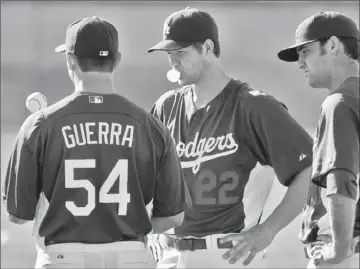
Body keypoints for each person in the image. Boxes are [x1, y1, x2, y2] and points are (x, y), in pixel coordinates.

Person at [2, 16, 190, 269]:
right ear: (117, 60)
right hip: (131, 257)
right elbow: (174, 216)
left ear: (70, 59)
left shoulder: (41, 125)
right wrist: (127, 225)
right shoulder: (151, 126)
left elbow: (16, 216)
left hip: (62, 258)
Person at [147, 6, 314, 268]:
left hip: (228, 256)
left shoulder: (253, 106)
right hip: (171, 257)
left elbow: (309, 169)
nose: (173, 61)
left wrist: (268, 230)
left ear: (208, 48)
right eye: (169, 53)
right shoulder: (166, 107)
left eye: (180, 52)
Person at [278, 11, 360, 269]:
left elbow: (340, 179)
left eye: (306, 52)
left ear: (333, 45)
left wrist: (337, 250)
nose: (300, 62)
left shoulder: (339, 103)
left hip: (347, 252)